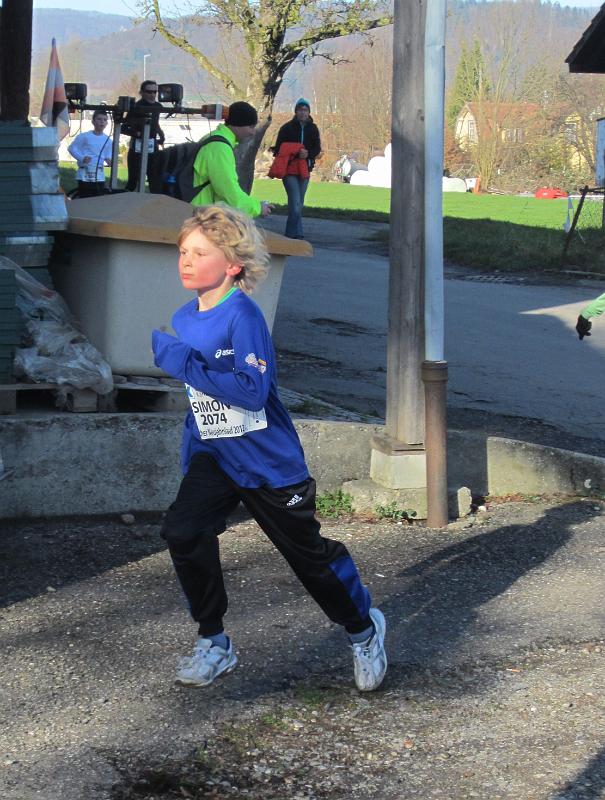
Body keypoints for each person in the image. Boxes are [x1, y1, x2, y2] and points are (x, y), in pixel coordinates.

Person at [151, 205, 387, 692]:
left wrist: (180, 361)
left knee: (308, 558)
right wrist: (192, 451)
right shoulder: (183, 316)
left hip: (267, 462)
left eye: (200, 253)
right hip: (215, 456)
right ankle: (214, 642)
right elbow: (203, 402)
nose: (186, 262)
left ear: (232, 265)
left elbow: (250, 391)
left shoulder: (243, 316)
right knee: (183, 530)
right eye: (182, 252)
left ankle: (364, 629)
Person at [191, 101, 272, 218]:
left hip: (196, 211)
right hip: (200, 215)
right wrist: (258, 208)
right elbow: (229, 193)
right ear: (238, 124)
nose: (253, 132)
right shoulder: (220, 148)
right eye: (251, 127)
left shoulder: (212, 137)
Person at [271, 98, 321, 239]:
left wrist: (308, 154)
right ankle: (293, 233)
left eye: (305, 110)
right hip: (289, 170)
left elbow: (317, 148)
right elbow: (278, 148)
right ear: (296, 111)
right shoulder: (287, 128)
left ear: (309, 112)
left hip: (305, 169)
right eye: (300, 109)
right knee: (295, 201)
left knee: (299, 202)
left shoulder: (313, 128)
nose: (303, 112)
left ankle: (295, 232)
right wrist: (294, 151)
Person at [122, 80, 165, 192]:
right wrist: (136, 133)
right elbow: (124, 127)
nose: (152, 95)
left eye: (155, 92)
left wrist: (160, 134)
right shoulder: (136, 107)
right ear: (141, 92)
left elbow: (154, 123)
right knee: (133, 181)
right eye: (149, 92)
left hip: (152, 146)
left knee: (154, 179)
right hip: (137, 148)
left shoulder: (158, 106)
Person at [66, 109, 112, 198]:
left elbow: (108, 155)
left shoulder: (108, 140)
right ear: (93, 121)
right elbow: (72, 148)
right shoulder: (84, 136)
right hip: (84, 173)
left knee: (98, 199)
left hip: (99, 175)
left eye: (105, 120)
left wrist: (109, 160)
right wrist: (81, 158)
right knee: (85, 198)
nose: (102, 122)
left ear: (107, 123)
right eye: (99, 119)